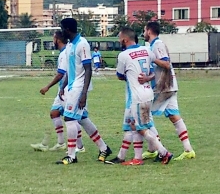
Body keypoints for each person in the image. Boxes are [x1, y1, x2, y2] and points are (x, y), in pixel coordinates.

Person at [106, 27, 173, 165]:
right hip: (148, 92)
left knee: (141, 128)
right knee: (132, 125)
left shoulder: (123, 55)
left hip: (136, 96)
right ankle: (129, 157)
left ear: (125, 39)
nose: (119, 41)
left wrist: (131, 75)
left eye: (120, 39)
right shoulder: (147, 50)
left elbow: (119, 76)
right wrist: (148, 77)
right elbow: (155, 71)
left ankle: (164, 152)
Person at [56, 18, 112, 165]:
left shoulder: (82, 44)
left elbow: (88, 69)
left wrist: (84, 93)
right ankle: (104, 148)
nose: (61, 32)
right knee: (82, 118)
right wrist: (62, 86)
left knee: (69, 118)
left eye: (62, 28)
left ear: (67, 29)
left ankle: (71, 155)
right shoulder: (69, 46)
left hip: (79, 87)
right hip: (71, 87)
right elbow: (70, 69)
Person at [140, 21, 195, 161]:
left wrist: (152, 58)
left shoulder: (157, 45)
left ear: (149, 31)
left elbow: (166, 63)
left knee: (144, 115)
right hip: (170, 86)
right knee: (174, 116)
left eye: (144, 30)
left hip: (164, 87)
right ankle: (188, 149)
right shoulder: (153, 45)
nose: (143, 33)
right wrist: (148, 77)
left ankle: (157, 149)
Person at [31, 31, 85, 153]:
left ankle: (80, 146)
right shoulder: (65, 51)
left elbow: (61, 74)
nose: (52, 41)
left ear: (57, 40)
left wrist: (47, 87)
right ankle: (60, 143)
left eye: (53, 39)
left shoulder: (65, 53)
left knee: (72, 118)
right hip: (62, 89)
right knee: (54, 113)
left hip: (68, 89)